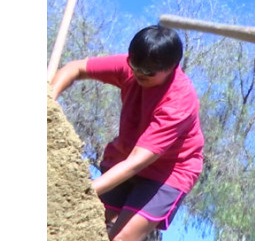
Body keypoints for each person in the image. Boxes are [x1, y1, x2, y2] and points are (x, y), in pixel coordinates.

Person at [50, 25, 205, 241]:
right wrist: (48, 101)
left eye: (148, 72)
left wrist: (80, 191)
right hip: (124, 156)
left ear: (172, 67)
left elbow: (136, 163)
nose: (139, 73)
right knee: (83, 223)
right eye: (134, 66)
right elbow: (74, 68)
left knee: (120, 238)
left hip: (168, 172)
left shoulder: (179, 101)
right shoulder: (132, 66)